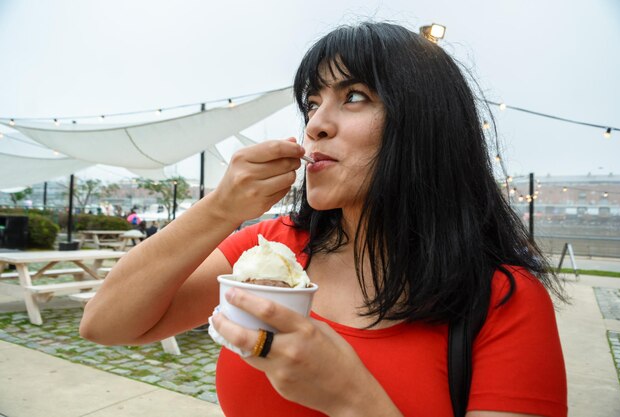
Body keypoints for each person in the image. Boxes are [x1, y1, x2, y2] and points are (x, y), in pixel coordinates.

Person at [80, 22, 568, 417]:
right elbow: (105, 324)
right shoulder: (271, 251)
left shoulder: (504, 301)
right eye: (312, 103)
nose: (315, 123)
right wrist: (220, 208)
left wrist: (351, 401)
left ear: (425, 124)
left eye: (354, 96)